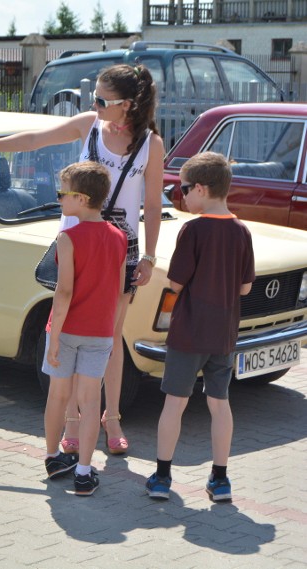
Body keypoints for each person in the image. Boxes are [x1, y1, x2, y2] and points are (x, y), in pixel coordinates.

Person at [0, 64, 164, 455]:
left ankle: (111, 418)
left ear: (128, 105)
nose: (94, 104)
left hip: (121, 250)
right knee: (64, 331)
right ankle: (71, 423)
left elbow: (151, 204)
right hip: (76, 244)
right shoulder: (88, 125)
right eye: (94, 98)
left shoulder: (151, 144)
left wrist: (149, 256)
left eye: (102, 100)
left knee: (111, 336)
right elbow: (34, 140)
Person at [146, 152, 254, 502]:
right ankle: (220, 479)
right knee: (219, 404)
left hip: (189, 332)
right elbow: (245, 288)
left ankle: (162, 477)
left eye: (185, 188)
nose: (182, 194)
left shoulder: (192, 230)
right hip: (223, 334)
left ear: (203, 189)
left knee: (174, 404)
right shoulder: (241, 231)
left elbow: (176, 283)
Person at [41, 162, 126, 496]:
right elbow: (119, 292)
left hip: (67, 329)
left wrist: (54, 338)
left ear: (81, 197)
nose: (59, 198)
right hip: (100, 333)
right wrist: (111, 329)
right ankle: (85, 471)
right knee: (91, 401)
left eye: (63, 193)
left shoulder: (67, 238)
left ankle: (52, 457)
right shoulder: (119, 237)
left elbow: (63, 293)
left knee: (59, 396)